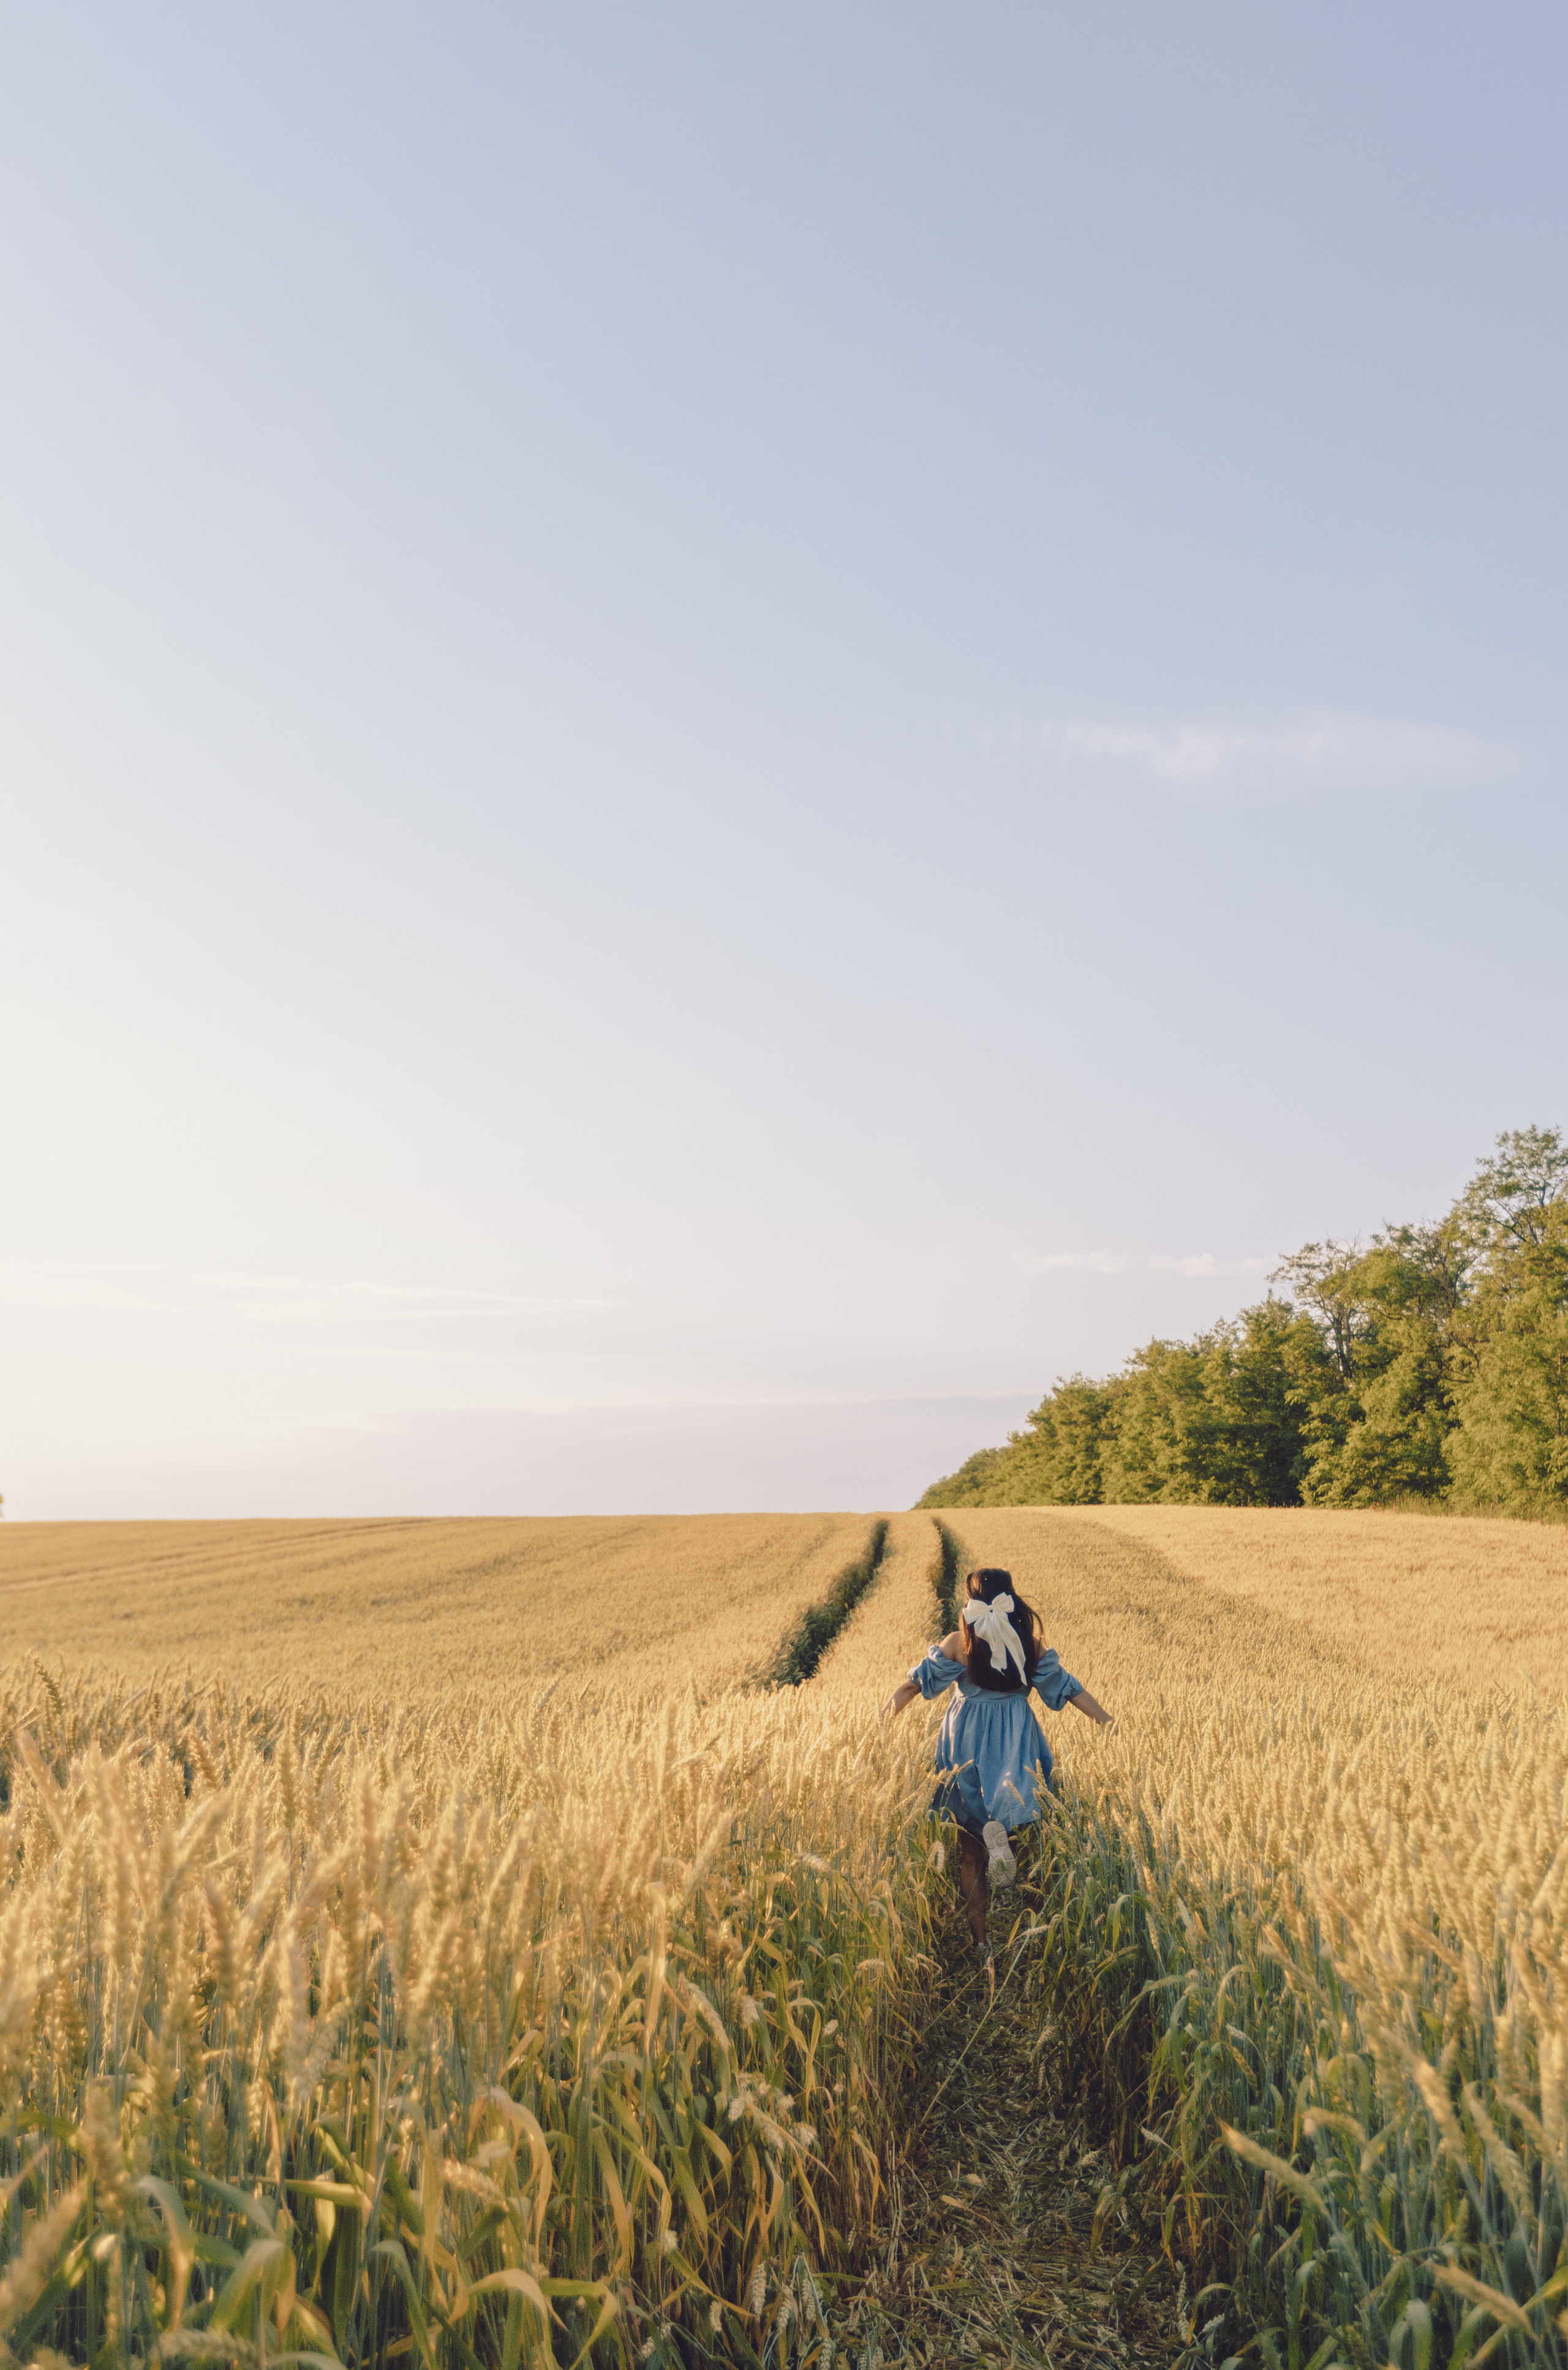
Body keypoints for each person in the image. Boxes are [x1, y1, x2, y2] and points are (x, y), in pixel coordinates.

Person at [881, 1566, 1113, 1956]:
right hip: (1014, 1736)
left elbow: (914, 1685)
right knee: (1016, 1805)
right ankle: (1006, 1840)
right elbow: (1069, 1688)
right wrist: (1106, 1721)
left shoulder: (960, 1641)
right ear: (1011, 1596)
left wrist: (880, 1724)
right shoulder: (1028, 1641)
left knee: (969, 1848)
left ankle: (982, 1943)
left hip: (966, 1739)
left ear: (971, 1599)